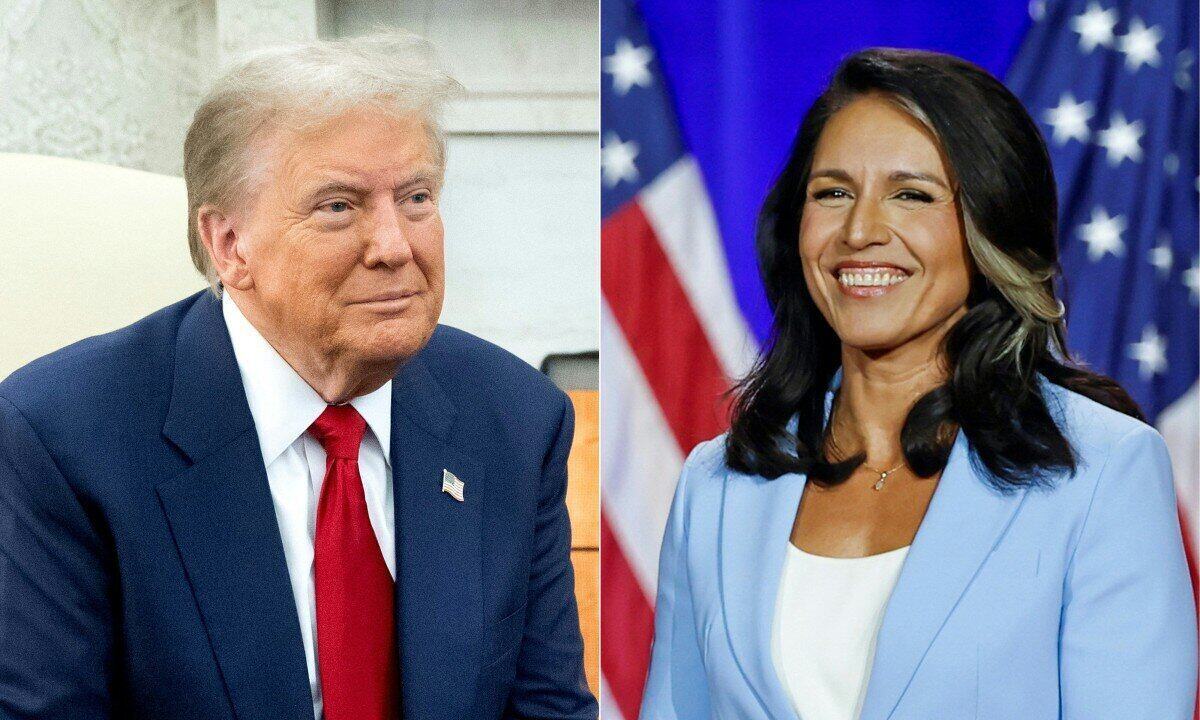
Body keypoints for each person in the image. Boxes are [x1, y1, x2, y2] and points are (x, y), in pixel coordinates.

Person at [0, 33, 597, 720]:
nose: (394, 246)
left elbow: (548, 709)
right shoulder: (65, 439)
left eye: (416, 198)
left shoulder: (513, 420)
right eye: (338, 206)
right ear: (229, 245)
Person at [639, 48, 1196, 720]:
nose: (860, 230)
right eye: (832, 192)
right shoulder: (715, 485)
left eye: (912, 194)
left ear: (989, 225)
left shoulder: (1104, 472)